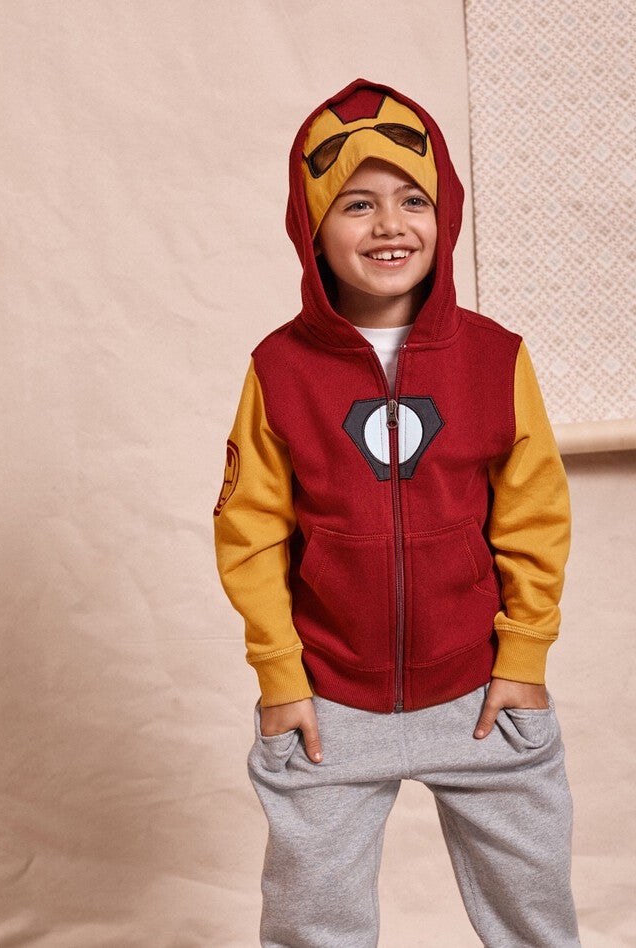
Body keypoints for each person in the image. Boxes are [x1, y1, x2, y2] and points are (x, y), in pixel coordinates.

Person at [214, 78, 580, 947]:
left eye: (413, 200)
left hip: (482, 692)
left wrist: (523, 655)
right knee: (312, 924)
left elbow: (533, 515)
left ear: (444, 216)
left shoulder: (495, 358)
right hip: (328, 706)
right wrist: (281, 677)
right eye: (357, 204)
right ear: (311, 227)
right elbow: (250, 532)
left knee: (536, 921)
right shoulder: (278, 370)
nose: (390, 225)